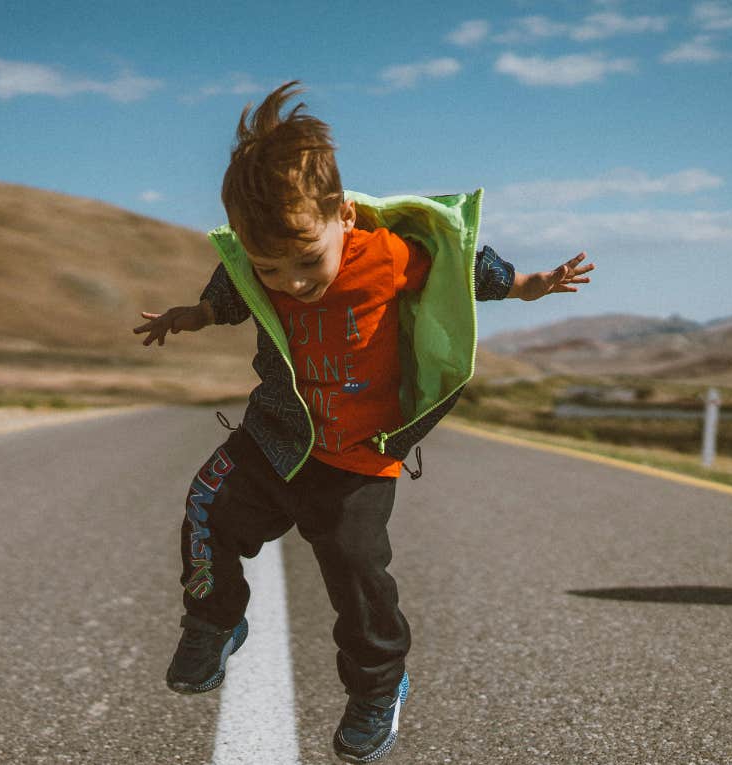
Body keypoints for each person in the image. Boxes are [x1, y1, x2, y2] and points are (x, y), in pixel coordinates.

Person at [133, 80, 593, 763]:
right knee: (206, 507)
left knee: (356, 579)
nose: (290, 282)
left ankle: (379, 686)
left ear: (344, 215)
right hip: (275, 436)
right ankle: (212, 620)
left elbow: (460, 263)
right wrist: (193, 314)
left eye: (306, 261)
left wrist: (526, 284)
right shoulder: (260, 268)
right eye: (271, 267)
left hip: (356, 457)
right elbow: (231, 287)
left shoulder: (388, 253)